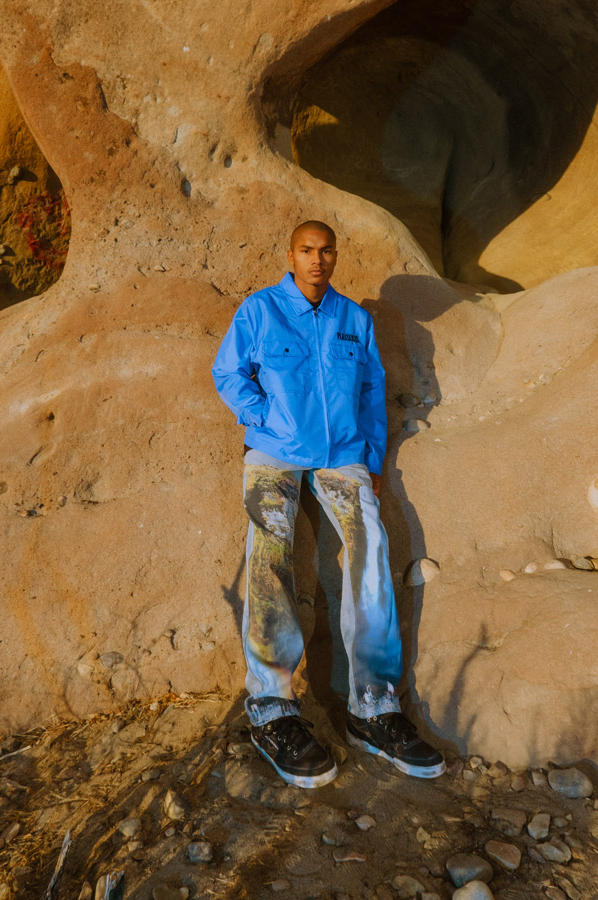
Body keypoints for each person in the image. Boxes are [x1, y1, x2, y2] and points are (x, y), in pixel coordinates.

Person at [212, 221, 445, 788]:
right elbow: (227, 373)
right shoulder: (260, 310)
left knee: (371, 545)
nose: (317, 260)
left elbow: (370, 390)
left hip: (342, 454)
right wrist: (268, 418)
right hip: (274, 452)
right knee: (269, 551)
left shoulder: (352, 319)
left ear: (336, 256)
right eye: (307, 251)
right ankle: (271, 707)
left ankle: (374, 707)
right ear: (291, 255)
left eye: (326, 251)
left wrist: (371, 456)